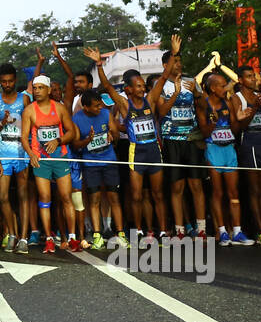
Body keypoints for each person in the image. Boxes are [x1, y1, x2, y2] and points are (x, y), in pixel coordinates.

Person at [95, 37, 178, 245]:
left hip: (153, 152)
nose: (143, 88)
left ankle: (162, 231)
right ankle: (140, 230)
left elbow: (164, 76)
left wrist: (174, 54)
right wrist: (98, 64)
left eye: (143, 85)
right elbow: (106, 85)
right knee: (137, 194)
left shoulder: (150, 100)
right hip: (136, 153)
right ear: (129, 89)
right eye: (138, 86)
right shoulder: (124, 105)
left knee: (158, 193)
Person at [21, 74, 78, 254]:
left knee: (66, 197)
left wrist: (58, 141)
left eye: (40, 88)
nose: (36, 91)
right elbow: (24, 137)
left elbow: (72, 132)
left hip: (59, 158)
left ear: (48, 90)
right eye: (34, 88)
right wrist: (31, 154)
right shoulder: (29, 110)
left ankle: (72, 237)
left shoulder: (59, 108)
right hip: (41, 160)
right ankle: (49, 238)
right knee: (45, 199)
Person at [195, 74, 254, 246]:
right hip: (213, 150)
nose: (226, 88)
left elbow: (235, 129)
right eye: (222, 86)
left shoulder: (227, 104)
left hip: (229, 150)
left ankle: (237, 231)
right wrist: (213, 122)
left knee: (233, 193)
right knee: (217, 193)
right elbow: (205, 132)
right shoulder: (204, 107)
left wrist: (240, 118)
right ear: (213, 88)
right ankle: (222, 231)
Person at [70, 88, 127, 249]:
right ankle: (97, 234)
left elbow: (115, 133)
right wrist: (88, 140)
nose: (99, 108)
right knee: (94, 199)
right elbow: (75, 144)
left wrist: (112, 135)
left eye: (100, 104)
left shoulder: (105, 114)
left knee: (113, 197)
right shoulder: (77, 119)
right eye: (95, 106)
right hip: (90, 163)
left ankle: (121, 234)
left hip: (109, 160)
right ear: (86, 107)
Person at [231, 65, 261, 243]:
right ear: (240, 80)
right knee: (254, 189)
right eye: (249, 77)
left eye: (254, 76)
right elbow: (239, 127)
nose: (253, 79)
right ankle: (259, 230)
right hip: (249, 142)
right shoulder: (237, 98)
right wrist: (254, 107)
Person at [0, 63, 30, 253]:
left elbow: (30, 125)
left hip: (22, 154)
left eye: (10, 81)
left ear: (15, 80)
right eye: (3, 82)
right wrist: (2, 122)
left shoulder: (24, 99)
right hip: (3, 155)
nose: (7, 84)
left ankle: (24, 238)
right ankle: (12, 234)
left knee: (23, 197)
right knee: (2, 196)